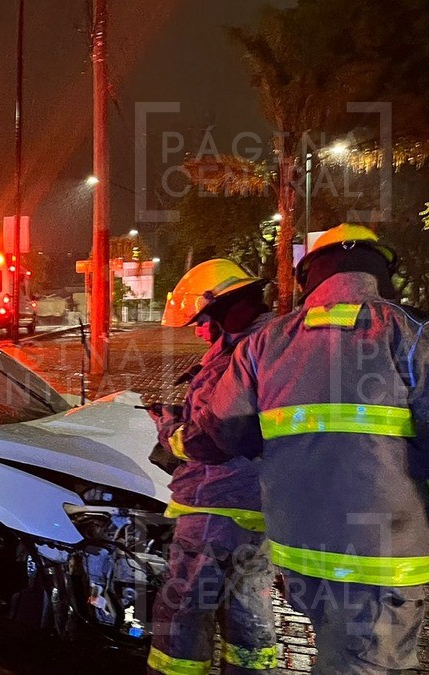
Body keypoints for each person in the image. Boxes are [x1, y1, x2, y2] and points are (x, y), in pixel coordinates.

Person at [203, 224, 429, 674]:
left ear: (309, 278)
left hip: (299, 554)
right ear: (382, 271)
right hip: (381, 562)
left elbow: (228, 432)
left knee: (336, 647)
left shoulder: (264, 343)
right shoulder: (419, 334)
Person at [147, 259, 278, 675]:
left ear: (224, 310)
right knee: (246, 606)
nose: (200, 331)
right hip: (263, 507)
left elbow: (208, 439)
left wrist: (169, 428)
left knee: (182, 610)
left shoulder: (237, 359)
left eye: (203, 321)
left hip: (215, 506)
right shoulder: (280, 345)